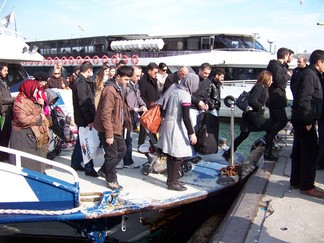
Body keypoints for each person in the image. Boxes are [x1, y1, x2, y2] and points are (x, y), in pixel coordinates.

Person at [290, 49, 324, 198]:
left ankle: (296, 180)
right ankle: (307, 185)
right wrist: (308, 121)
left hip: (300, 118)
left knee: (299, 151)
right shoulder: (310, 75)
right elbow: (304, 99)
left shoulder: (307, 73)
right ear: (319, 62)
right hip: (304, 120)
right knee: (310, 152)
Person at [222, 71, 278, 161]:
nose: (271, 82)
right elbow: (252, 100)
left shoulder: (262, 87)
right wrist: (261, 107)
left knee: (243, 135)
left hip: (249, 116)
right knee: (272, 128)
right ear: (266, 79)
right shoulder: (259, 87)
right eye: (271, 80)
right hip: (254, 116)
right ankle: (268, 152)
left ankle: (228, 153)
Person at [157, 73, 199, 191]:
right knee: (177, 155)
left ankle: (171, 180)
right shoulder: (185, 95)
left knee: (170, 153)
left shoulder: (175, 90)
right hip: (176, 125)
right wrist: (192, 133)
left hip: (167, 123)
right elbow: (186, 117)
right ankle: (173, 183)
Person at [95, 66, 133, 190]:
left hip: (117, 127)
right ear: (118, 76)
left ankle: (104, 170)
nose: (127, 82)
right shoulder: (110, 90)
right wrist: (109, 134)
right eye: (126, 79)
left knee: (122, 150)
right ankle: (111, 179)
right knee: (112, 155)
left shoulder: (119, 88)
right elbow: (105, 114)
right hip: (110, 128)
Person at [9, 80, 50, 173]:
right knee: (25, 167)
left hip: (31, 138)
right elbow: (22, 119)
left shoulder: (30, 100)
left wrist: (41, 105)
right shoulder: (19, 102)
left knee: (35, 166)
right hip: (22, 139)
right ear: (29, 89)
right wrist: (39, 118)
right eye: (35, 90)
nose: (37, 92)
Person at [71, 61, 98, 177]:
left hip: (83, 117)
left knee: (81, 141)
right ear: (88, 70)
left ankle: (76, 162)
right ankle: (89, 167)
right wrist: (89, 120)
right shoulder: (81, 83)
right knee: (86, 143)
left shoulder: (83, 81)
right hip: (83, 118)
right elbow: (83, 103)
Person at [266, 47, 292, 159]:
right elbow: (279, 81)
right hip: (276, 99)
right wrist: (288, 75)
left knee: (275, 121)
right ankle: (268, 141)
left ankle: (269, 146)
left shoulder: (278, 66)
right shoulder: (275, 66)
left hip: (276, 98)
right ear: (285, 56)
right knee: (282, 121)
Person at [123, 66, 147, 168]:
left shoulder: (135, 84)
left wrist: (143, 105)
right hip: (127, 115)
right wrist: (134, 108)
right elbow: (124, 102)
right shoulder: (125, 86)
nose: (138, 78)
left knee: (129, 138)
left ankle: (127, 160)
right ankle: (127, 161)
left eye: (139, 75)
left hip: (133, 115)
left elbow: (138, 96)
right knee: (127, 139)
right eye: (136, 76)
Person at [189, 63, 212, 162]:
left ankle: (195, 151)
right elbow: (188, 94)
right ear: (200, 70)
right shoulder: (194, 80)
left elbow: (207, 96)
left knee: (199, 132)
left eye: (208, 74)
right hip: (191, 108)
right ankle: (191, 154)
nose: (206, 75)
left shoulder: (208, 82)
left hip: (201, 109)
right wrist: (198, 102)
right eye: (205, 73)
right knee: (191, 131)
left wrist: (206, 104)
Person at [138, 62, 159, 148]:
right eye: (155, 72)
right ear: (149, 71)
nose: (156, 74)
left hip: (154, 106)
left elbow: (156, 93)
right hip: (146, 107)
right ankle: (141, 144)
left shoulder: (154, 79)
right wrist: (148, 104)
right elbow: (141, 95)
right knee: (144, 126)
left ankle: (155, 143)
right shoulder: (143, 81)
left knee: (152, 125)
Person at [0, 62, 13, 161]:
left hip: (8, 111)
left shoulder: (4, 81)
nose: (7, 73)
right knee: (2, 135)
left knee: (6, 135)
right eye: (5, 70)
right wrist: (12, 99)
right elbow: (1, 99)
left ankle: (4, 154)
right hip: (3, 112)